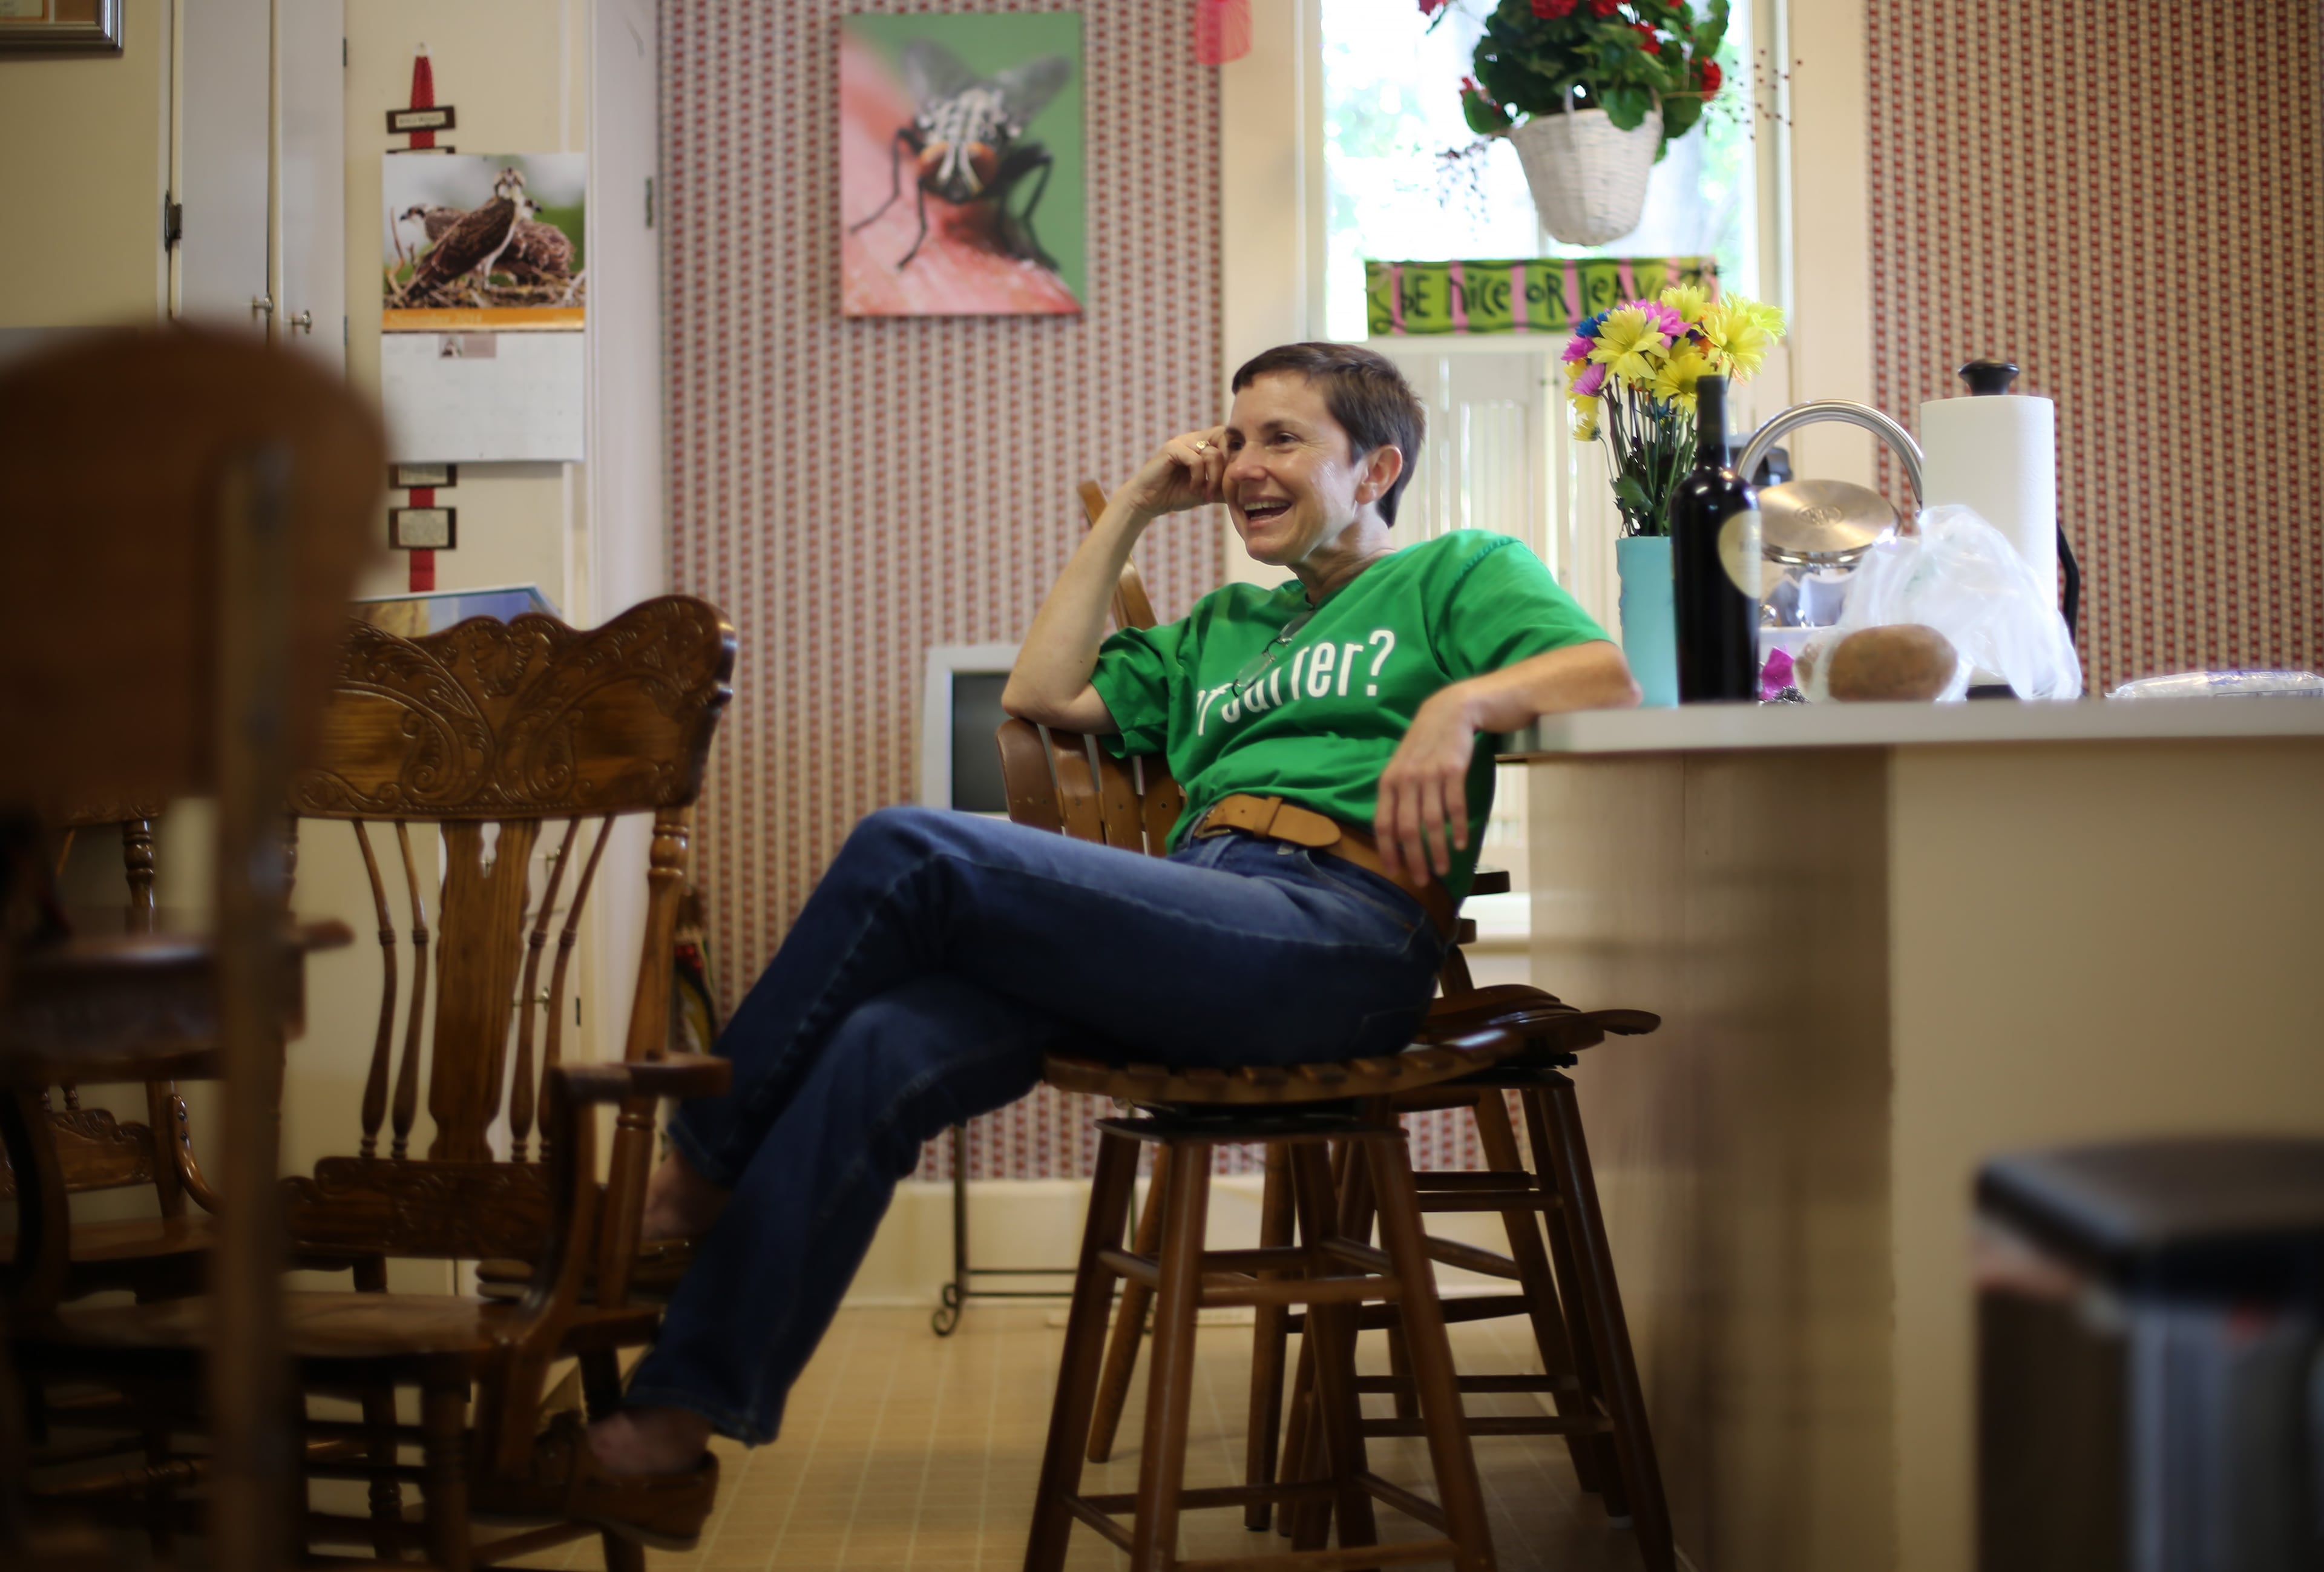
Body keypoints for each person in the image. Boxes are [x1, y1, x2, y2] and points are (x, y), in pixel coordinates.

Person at [482, 343, 1638, 1548]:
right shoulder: (1223, 629)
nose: (1245, 465)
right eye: (1236, 440)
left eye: (1282, 440)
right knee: (884, 1040)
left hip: (1334, 938)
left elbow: (1607, 676)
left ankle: (695, 1181)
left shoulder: (1459, 572)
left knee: (911, 850)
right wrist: (1137, 506)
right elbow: (1038, 694)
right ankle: (671, 1437)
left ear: (1378, 466)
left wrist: (1459, 704)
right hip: (1203, 914)